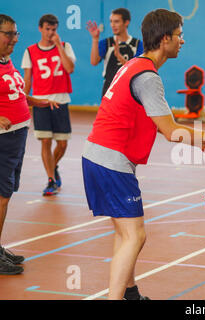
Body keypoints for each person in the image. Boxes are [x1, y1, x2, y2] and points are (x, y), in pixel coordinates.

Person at [82, 8, 205, 300]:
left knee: (124, 233)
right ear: (165, 38)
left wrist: (203, 144)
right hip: (110, 160)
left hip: (96, 156)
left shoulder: (133, 66)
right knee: (135, 235)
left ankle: (129, 293)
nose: (183, 41)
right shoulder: (147, 77)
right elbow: (170, 130)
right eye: (180, 35)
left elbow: (156, 126)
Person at [0, 14, 58, 275]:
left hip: (17, 137)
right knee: (1, 197)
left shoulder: (6, 61)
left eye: (15, 34)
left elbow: (15, 93)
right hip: (3, 139)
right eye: (8, 34)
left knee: (6, 194)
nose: (14, 39)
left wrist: (36, 101)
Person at [22, 14, 76, 196]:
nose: (50, 33)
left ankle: (53, 166)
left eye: (53, 29)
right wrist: (24, 100)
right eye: (47, 29)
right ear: (40, 28)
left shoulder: (65, 46)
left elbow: (69, 69)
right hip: (41, 101)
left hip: (60, 100)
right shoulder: (30, 51)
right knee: (45, 140)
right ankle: (51, 179)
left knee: (62, 143)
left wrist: (59, 46)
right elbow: (27, 79)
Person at [87, 8, 144, 97]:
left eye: (116, 21)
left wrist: (119, 56)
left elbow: (135, 70)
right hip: (109, 88)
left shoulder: (138, 44)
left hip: (130, 89)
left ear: (126, 22)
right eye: (111, 21)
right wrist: (95, 39)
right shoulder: (106, 42)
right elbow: (94, 62)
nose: (113, 25)